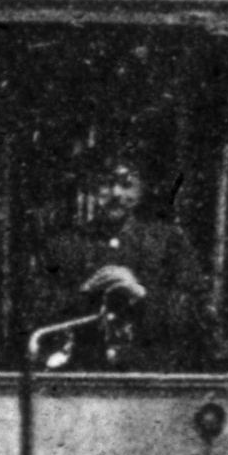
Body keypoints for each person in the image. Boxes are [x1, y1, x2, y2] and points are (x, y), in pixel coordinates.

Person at [28, 155, 209, 368]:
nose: (116, 194)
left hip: (152, 372)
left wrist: (141, 293)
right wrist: (85, 293)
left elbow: (201, 315)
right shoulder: (64, 245)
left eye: (126, 185)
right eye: (106, 184)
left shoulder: (169, 242)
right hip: (84, 370)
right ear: (92, 189)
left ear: (141, 190)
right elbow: (35, 312)